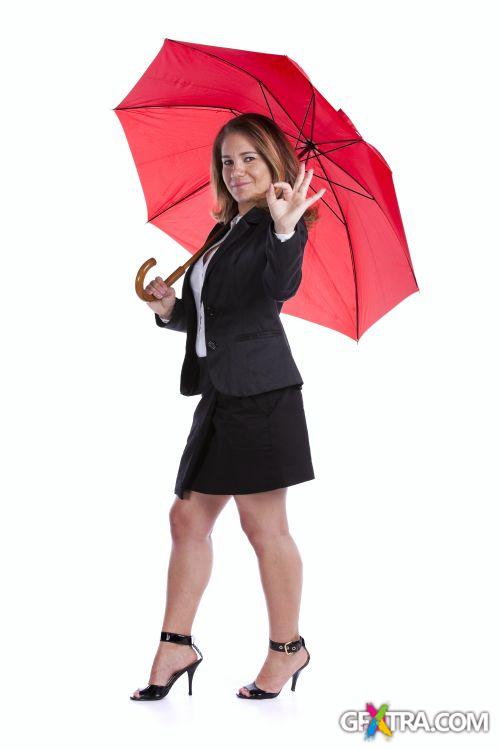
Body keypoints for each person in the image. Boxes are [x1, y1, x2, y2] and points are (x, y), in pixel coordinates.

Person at [130, 113, 326, 702]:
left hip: (263, 397)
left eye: (249, 160)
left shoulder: (276, 226)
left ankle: (288, 649)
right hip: (220, 393)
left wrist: (288, 232)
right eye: (226, 161)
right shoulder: (223, 232)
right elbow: (211, 316)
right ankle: (175, 645)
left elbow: (277, 288)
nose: (236, 171)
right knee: (187, 519)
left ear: (274, 166)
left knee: (263, 527)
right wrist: (170, 307)